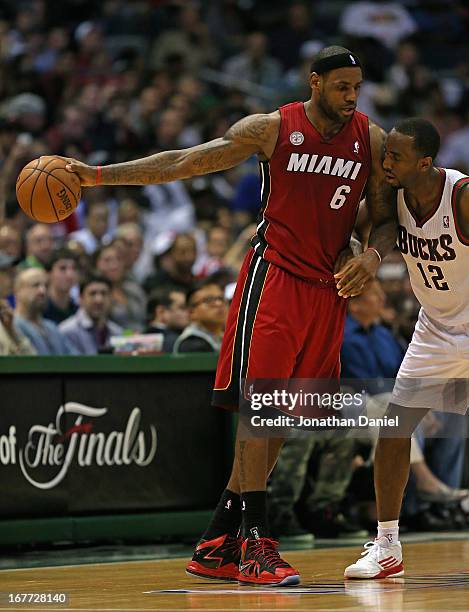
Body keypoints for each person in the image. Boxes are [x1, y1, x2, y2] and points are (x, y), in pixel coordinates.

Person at [65, 45, 397, 586]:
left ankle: (219, 540)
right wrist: (98, 176)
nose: (351, 96)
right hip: (276, 276)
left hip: (327, 290)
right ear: (314, 82)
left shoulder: (371, 137)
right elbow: (184, 161)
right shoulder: (271, 128)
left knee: (285, 419)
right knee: (259, 409)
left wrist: (371, 256)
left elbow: (382, 219)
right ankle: (255, 547)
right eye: (341, 86)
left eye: (357, 87)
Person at [345, 117, 469, 579]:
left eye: (396, 157)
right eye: (385, 153)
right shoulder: (392, 193)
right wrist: (357, 251)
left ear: (425, 163)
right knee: (393, 428)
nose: (385, 162)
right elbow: (371, 226)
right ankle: (387, 544)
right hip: (437, 329)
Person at [14, 268, 76, 355]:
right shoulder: (11, 326)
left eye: (46, 286)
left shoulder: (52, 328)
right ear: (18, 290)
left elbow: (75, 360)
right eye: (35, 285)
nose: (42, 291)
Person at [59, 274, 122, 355]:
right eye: (92, 294)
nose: (99, 300)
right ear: (80, 299)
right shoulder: (66, 332)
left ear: (111, 299)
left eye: (104, 293)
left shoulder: (118, 333)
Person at [174, 281, 227, 353]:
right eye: (209, 300)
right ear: (191, 312)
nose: (218, 304)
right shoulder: (191, 344)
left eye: (221, 298)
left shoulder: (225, 337)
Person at [145, 286, 188, 353]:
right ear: (161, 312)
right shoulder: (177, 342)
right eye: (182, 308)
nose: (188, 312)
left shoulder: (136, 337)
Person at [43, 248, 79, 324]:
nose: (70, 275)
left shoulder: (79, 310)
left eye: (74, 268)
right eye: (62, 268)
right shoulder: (40, 309)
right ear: (48, 273)